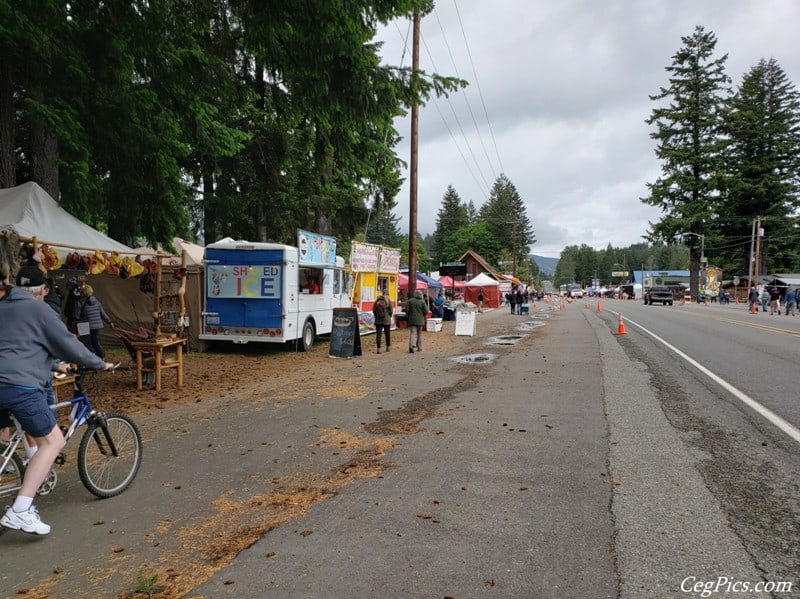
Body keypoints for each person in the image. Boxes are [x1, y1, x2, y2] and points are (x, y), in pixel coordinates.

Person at [0, 267, 115, 535]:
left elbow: (20, 345)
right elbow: (68, 343)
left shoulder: (5, 308)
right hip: (19, 385)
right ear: (43, 291)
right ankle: (21, 509)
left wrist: (54, 363)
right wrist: (100, 363)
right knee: (54, 441)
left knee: (24, 436)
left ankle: (24, 472)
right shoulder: (39, 310)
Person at [78, 284, 112, 358]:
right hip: (97, 326)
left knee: (88, 343)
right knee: (95, 342)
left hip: (86, 326)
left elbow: (78, 314)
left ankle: (93, 358)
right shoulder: (97, 302)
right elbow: (103, 313)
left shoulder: (82, 303)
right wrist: (109, 321)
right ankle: (101, 355)